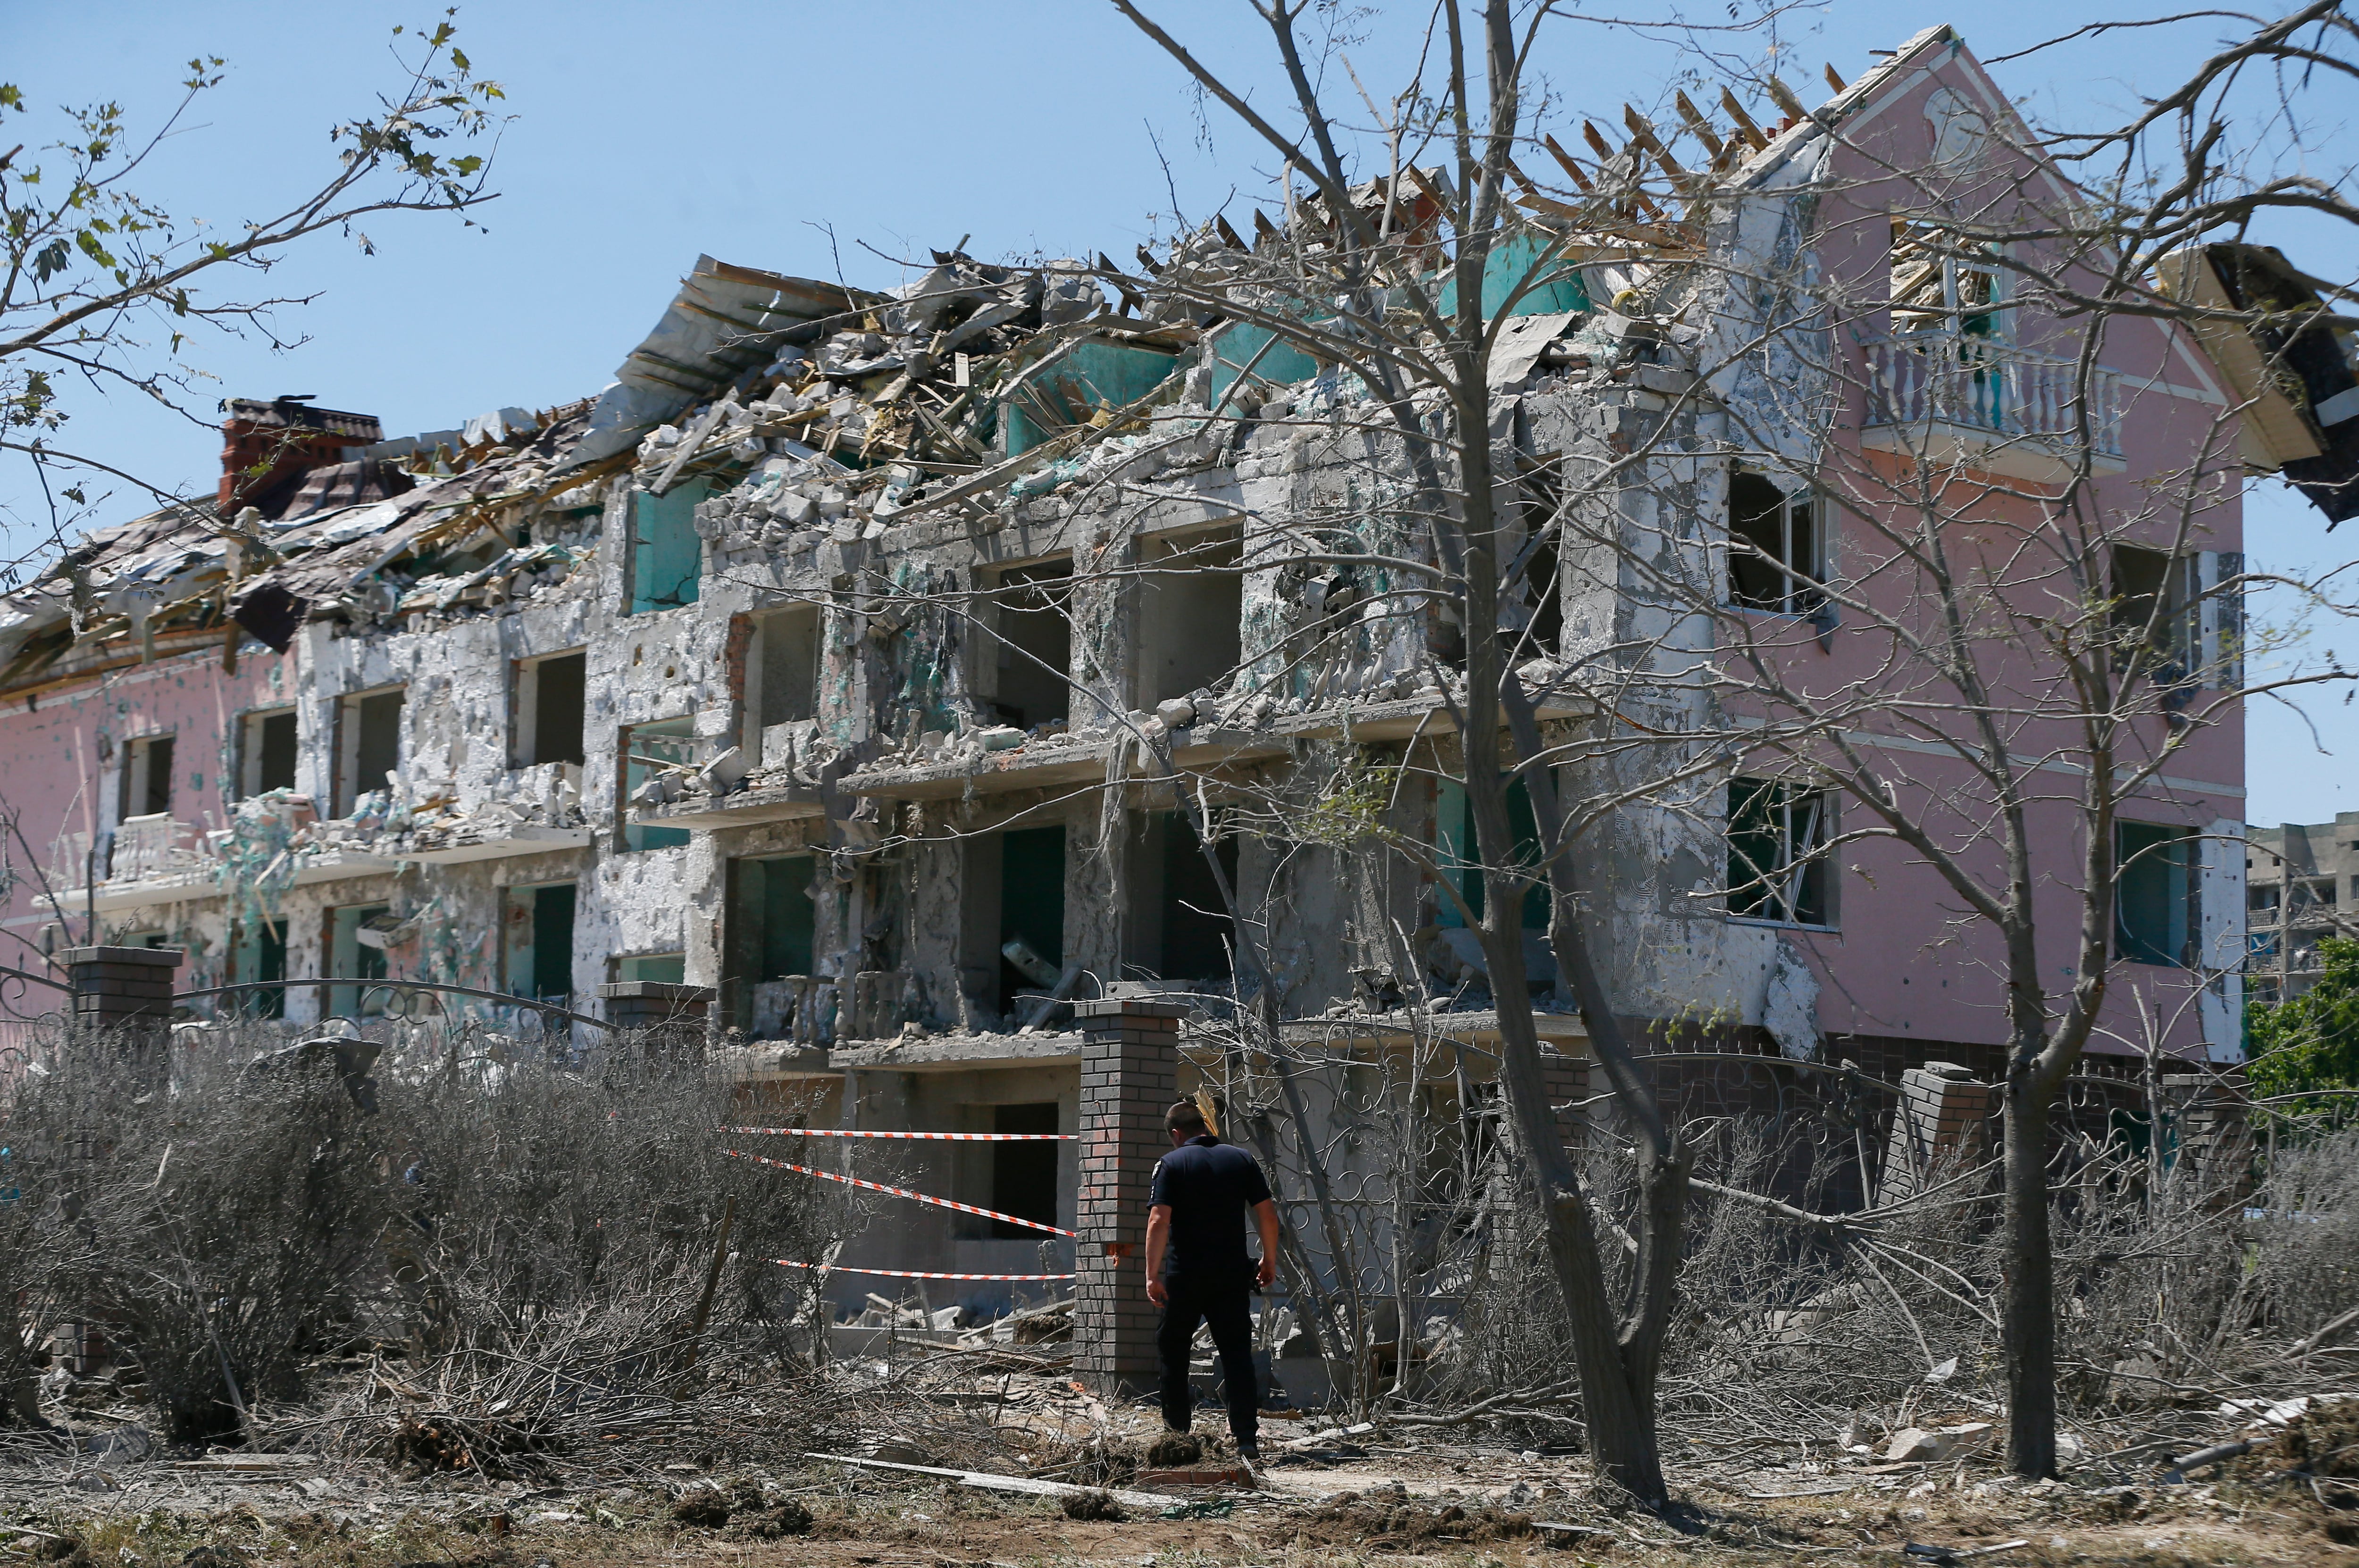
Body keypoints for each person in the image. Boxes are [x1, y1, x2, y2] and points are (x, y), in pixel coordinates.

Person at [1144, 1098, 1280, 1461]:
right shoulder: (1241, 1159)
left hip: (1185, 1275)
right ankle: (1246, 1439)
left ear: (1176, 1134)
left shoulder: (1170, 1164)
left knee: (1174, 1352)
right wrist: (1270, 1259)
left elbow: (1159, 1221)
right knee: (1237, 1355)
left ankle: (1177, 1436)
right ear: (1205, 1127)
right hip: (1231, 1274)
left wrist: (1151, 1275)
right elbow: (1266, 1215)